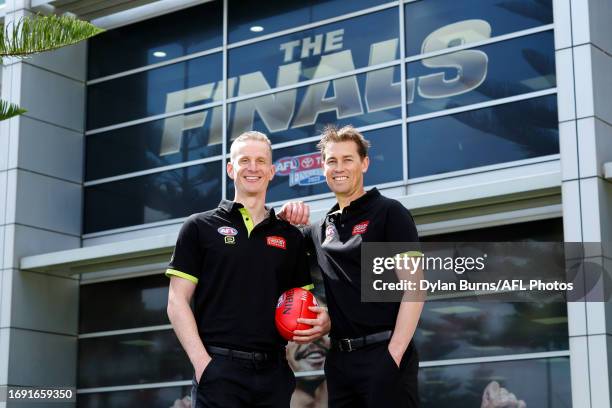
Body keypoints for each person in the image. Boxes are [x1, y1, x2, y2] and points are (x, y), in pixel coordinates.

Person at [166, 131, 330, 408]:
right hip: (219, 371)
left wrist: (323, 320)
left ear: (271, 171)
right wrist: (202, 364)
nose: (252, 168)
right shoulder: (199, 227)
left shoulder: (290, 235)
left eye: (260, 161)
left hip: (274, 373)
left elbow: (303, 304)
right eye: (244, 161)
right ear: (231, 169)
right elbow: (175, 301)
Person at [279, 125, 423, 407]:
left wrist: (392, 356)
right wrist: (283, 217)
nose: (339, 167)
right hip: (340, 364)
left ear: (364, 163)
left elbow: (415, 290)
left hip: (385, 353)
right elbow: (276, 249)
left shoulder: (389, 213)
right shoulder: (320, 230)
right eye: (332, 160)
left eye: (348, 159)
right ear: (323, 168)